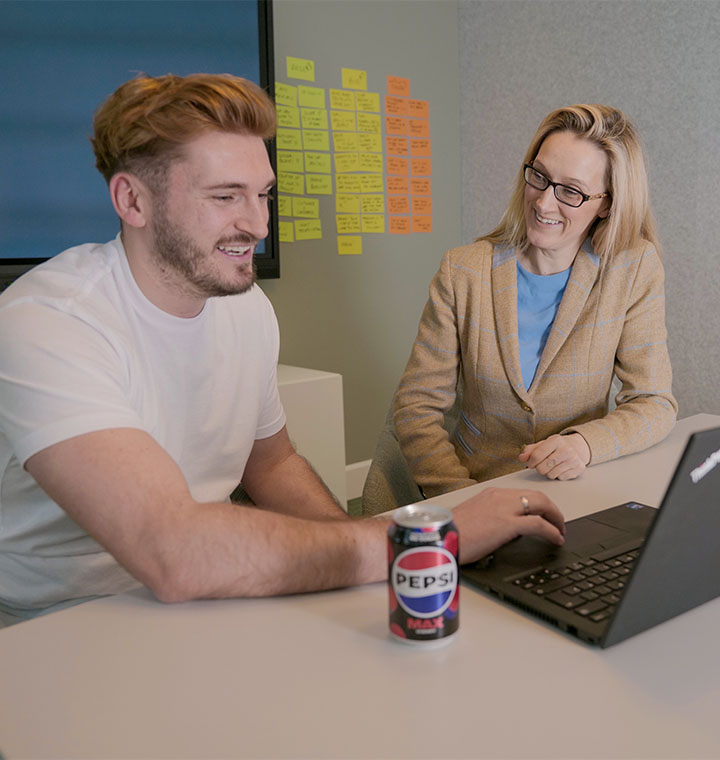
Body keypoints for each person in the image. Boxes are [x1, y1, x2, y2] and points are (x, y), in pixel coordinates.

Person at [0, 73, 565, 626]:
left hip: (207, 595)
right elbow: (173, 551)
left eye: (263, 194)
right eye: (225, 196)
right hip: (53, 626)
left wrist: (359, 551)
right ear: (132, 200)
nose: (258, 224)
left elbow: (272, 464)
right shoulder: (48, 322)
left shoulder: (245, 308)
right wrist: (425, 540)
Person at [394, 104, 677, 498]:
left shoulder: (632, 268)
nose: (544, 203)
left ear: (607, 203)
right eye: (540, 177)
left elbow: (653, 402)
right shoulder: (463, 272)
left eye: (571, 191)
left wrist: (585, 444)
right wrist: (461, 499)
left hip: (580, 491)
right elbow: (416, 407)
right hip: (476, 485)